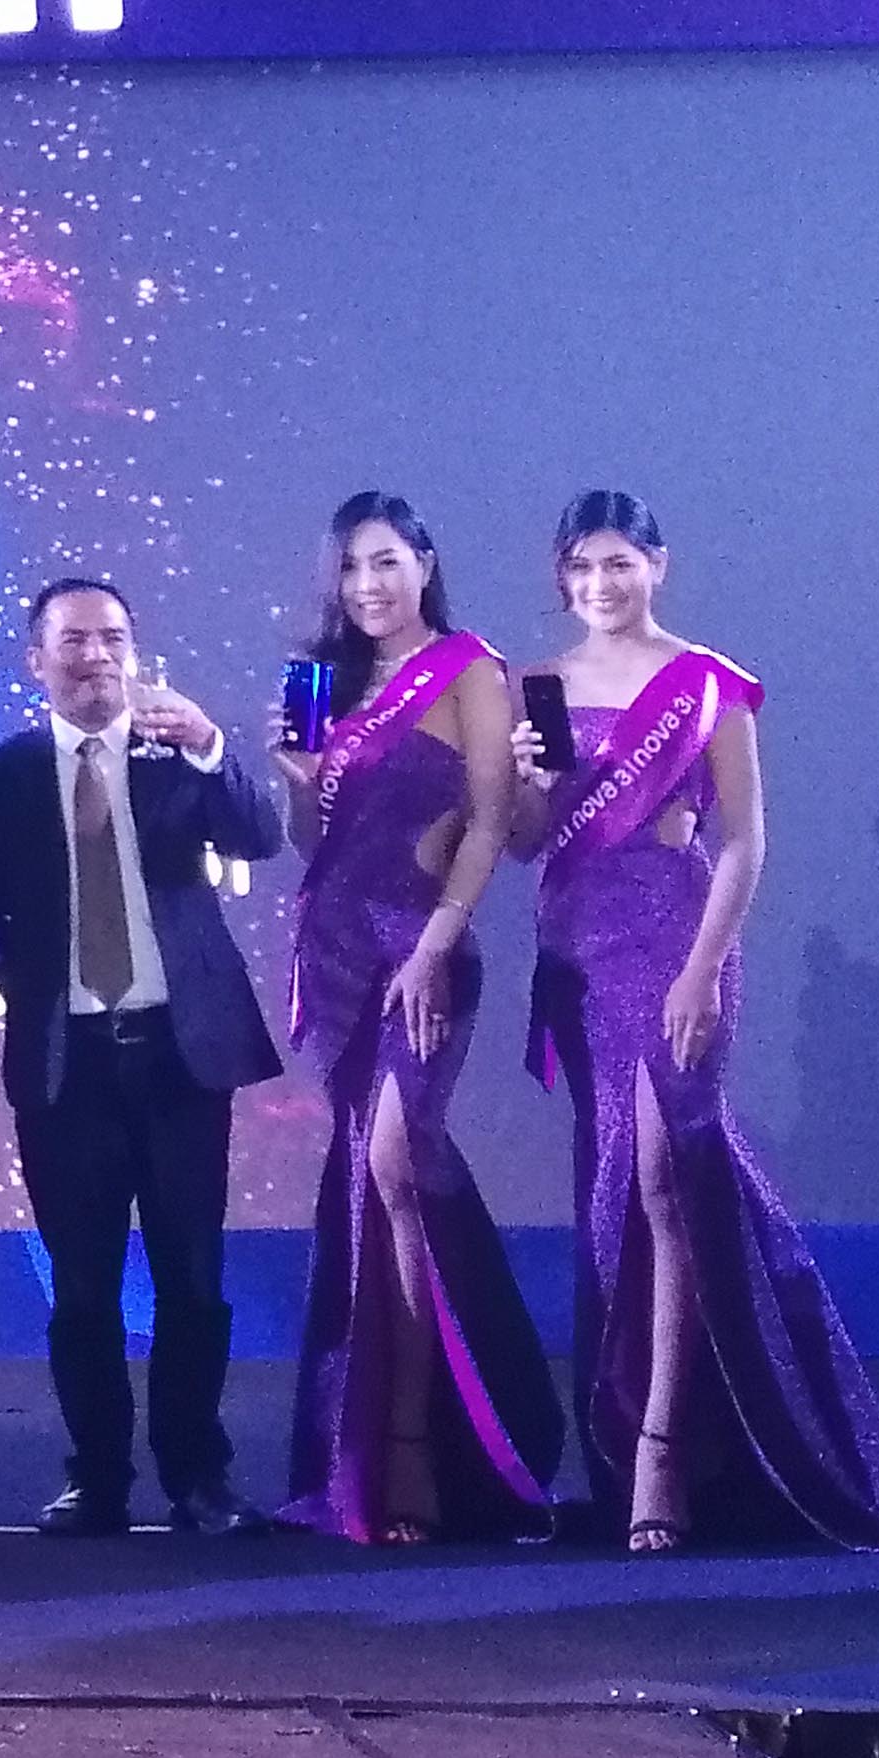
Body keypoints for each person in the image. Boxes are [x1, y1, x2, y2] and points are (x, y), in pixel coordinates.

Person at [513, 493, 879, 1551]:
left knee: (665, 1174)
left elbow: (744, 839)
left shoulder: (708, 681)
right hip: (581, 950)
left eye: (620, 562)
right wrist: (532, 782)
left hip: (677, 938)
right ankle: (659, 1432)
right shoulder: (540, 686)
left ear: (658, 564)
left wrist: (702, 970)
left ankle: (661, 1448)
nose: (601, 584)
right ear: (562, 576)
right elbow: (524, 840)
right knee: (626, 1188)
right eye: (583, 566)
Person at [0, 579, 282, 1542]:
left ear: (134, 654)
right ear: (37, 661)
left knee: (193, 1279)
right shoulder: (5, 773)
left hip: (181, 1056)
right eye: (73, 641)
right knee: (83, 1287)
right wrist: (37, 996)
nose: (95, 656)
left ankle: (198, 1476)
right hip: (69, 1065)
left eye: (112, 639)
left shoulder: (177, 752)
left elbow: (259, 834)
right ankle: (96, 1478)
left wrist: (212, 746)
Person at [275, 492, 559, 1547]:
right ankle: (392, 1443)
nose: (368, 585)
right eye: (352, 567)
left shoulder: (469, 668)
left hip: (424, 947)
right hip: (337, 956)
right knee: (374, 1178)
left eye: (386, 561)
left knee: (396, 1160)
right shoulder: (334, 685)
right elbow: (315, 843)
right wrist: (300, 782)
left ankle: (413, 1448)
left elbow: (491, 820)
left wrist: (439, 941)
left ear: (425, 564)